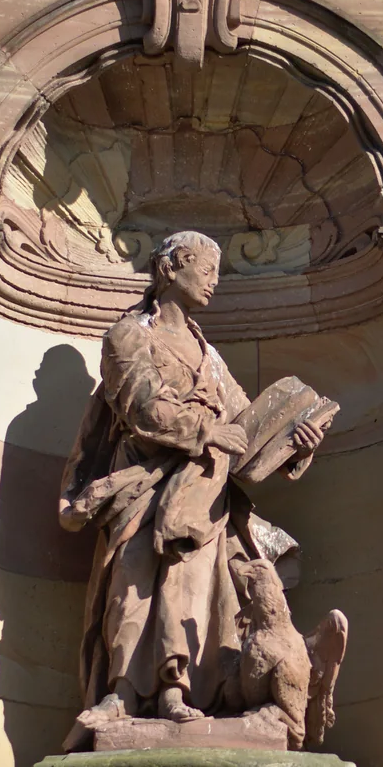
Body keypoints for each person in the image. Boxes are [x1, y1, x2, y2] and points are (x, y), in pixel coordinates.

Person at [58, 230, 325, 722]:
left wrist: (293, 445)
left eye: (216, 272)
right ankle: (123, 694)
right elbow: (141, 407)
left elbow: (246, 425)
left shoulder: (209, 354)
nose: (214, 282)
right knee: (134, 580)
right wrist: (207, 431)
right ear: (170, 268)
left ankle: (178, 691)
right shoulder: (129, 335)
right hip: (143, 483)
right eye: (205, 270)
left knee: (195, 589)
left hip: (204, 493)